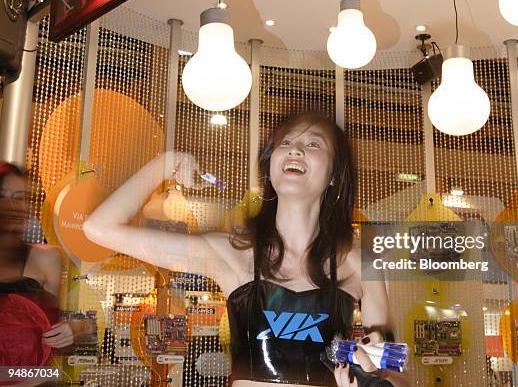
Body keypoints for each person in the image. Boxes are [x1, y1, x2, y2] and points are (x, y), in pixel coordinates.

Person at [84, 111, 407, 386]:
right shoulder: (231, 254)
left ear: (335, 174)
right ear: (271, 165)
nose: (295, 150)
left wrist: (375, 374)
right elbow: (100, 228)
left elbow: (395, 371)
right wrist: (166, 162)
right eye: (286, 143)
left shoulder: (360, 263)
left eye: (313, 144)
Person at [0, 162, 75, 360]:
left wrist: (71, 332)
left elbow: (53, 332)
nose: (13, 206)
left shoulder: (46, 258)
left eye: (21, 198)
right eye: (2, 196)